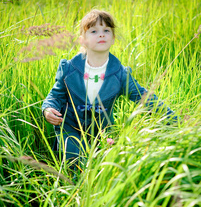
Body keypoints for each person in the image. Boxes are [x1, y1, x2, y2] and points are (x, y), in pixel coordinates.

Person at [42, 9, 178, 166]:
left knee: (109, 164)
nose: (101, 34)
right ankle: (75, 185)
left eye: (106, 30)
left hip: (102, 131)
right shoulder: (68, 69)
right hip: (70, 127)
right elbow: (55, 96)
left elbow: (144, 97)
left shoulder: (120, 74)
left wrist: (176, 121)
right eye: (94, 31)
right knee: (75, 159)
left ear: (113, 38)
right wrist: (48, 109)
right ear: (82, 40)